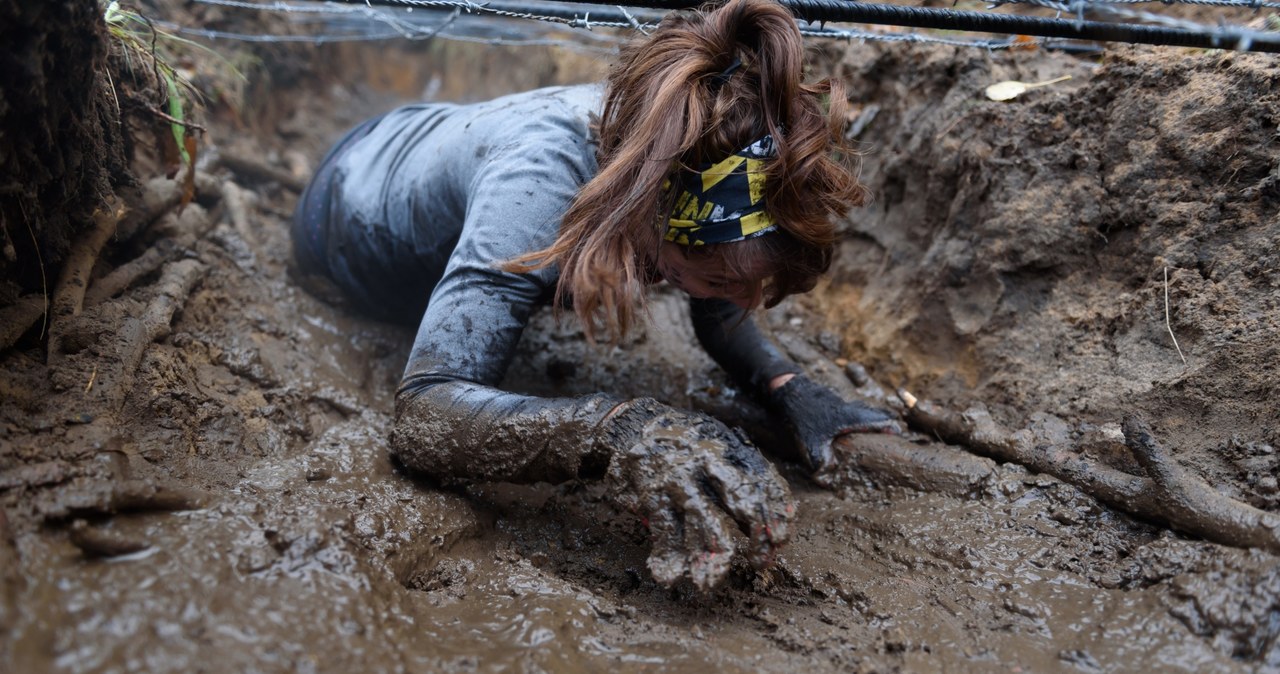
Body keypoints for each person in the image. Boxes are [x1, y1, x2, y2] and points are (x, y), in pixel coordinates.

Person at [292, 0, 898, 591]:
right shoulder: (539, 183)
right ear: (652, 216)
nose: (744, 300)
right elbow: (424, 413)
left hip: (427, 131)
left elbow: (723, 311)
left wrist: (786, 386)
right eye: (719, 280)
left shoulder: (692, 153)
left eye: (751, 284)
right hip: (343, 209)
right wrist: (616, 431)